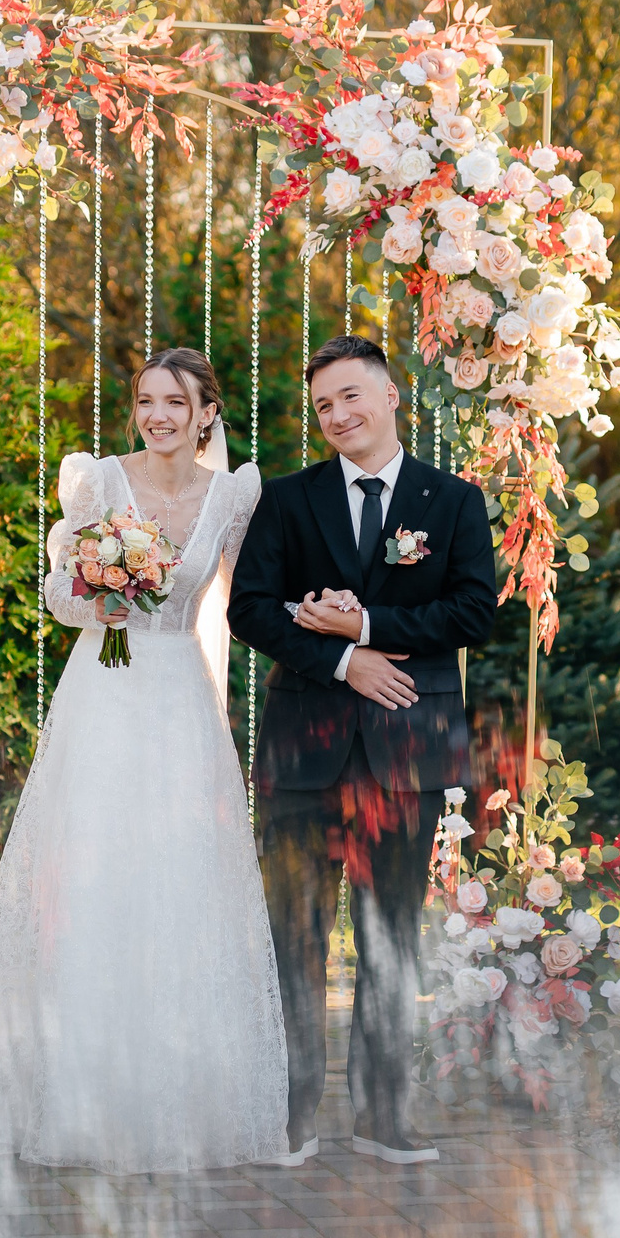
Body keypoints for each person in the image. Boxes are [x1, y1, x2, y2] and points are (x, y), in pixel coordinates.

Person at [0, 350, 288, 1172]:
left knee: (177, 883)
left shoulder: (235, 493)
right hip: (102, 695)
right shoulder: (99, 480)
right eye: (146, 401)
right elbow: (56, 593)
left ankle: (176, 1094)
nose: (157, 415)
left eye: (175, 402)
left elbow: (249, 598)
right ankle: (82, 1094)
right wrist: (96, 592)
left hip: (181, 701)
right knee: (94, 882)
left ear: (206, 414)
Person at [228, 335, 499, 1166]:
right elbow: (251, 610)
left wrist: (369, 626)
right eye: (323, 406)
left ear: (390, 398)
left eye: (351, 397)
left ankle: (384, 1116)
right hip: (304, 753)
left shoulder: (451, 500)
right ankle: (291, 1115)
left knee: (390, 940)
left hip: (406, 753)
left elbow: (472, 614)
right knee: (294, 938)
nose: (337, 415)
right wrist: (346, 659)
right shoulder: (288, 500)